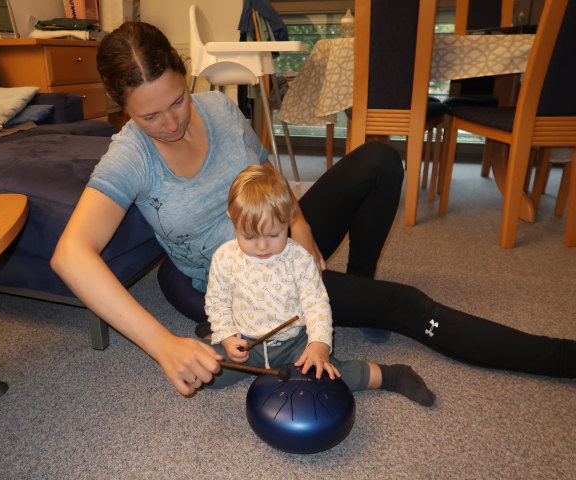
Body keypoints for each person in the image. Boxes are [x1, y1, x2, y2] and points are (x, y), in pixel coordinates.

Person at [50, 21, 575, 398]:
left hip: (279, 234)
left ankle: (356, 287)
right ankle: (561, 358)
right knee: (408, 305)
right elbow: (71, 255)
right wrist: (163, 345)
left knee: (378, 159)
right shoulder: (128, 156)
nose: (173, 123)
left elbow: (268, 181)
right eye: (151, 115)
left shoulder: (219, 108)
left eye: (178, 101)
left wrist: (300, 225)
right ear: (121, 108)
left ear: (188, 80)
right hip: (244, 276)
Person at [203, 164, 436, 406]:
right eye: (249, 237)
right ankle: (215, 335)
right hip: (246, 342)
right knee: (206, 373)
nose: (262, 247)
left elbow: (316, 305)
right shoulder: (224, 257)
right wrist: (228, 336)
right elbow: (217, 302)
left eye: (273, 235)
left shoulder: (299, 258)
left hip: (294, 343)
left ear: (288, 219)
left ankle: (390, 375)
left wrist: (318, 344)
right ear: (233, 220)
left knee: (329, 376)